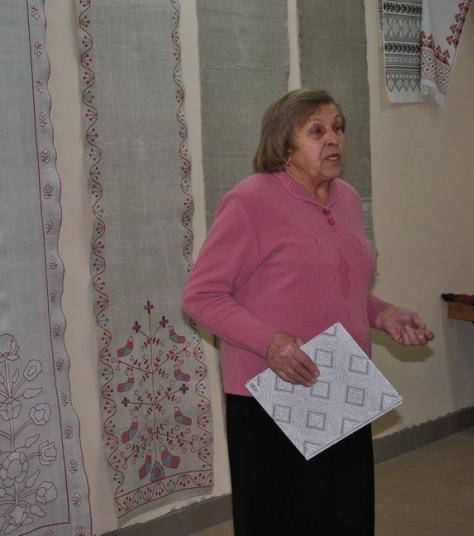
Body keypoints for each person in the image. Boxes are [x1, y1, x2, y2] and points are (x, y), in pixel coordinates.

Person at [182, 88, 434, 535]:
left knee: (345, 514)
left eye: (338, 127)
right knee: (287, 521)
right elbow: (201, 296)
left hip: (340, 381)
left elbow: (341, 287)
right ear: (285, 146)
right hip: (273, 391)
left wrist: (383, 314)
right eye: (317, 131)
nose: (333, 138)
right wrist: (271, 342)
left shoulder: (348, 199)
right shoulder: (249, 202)